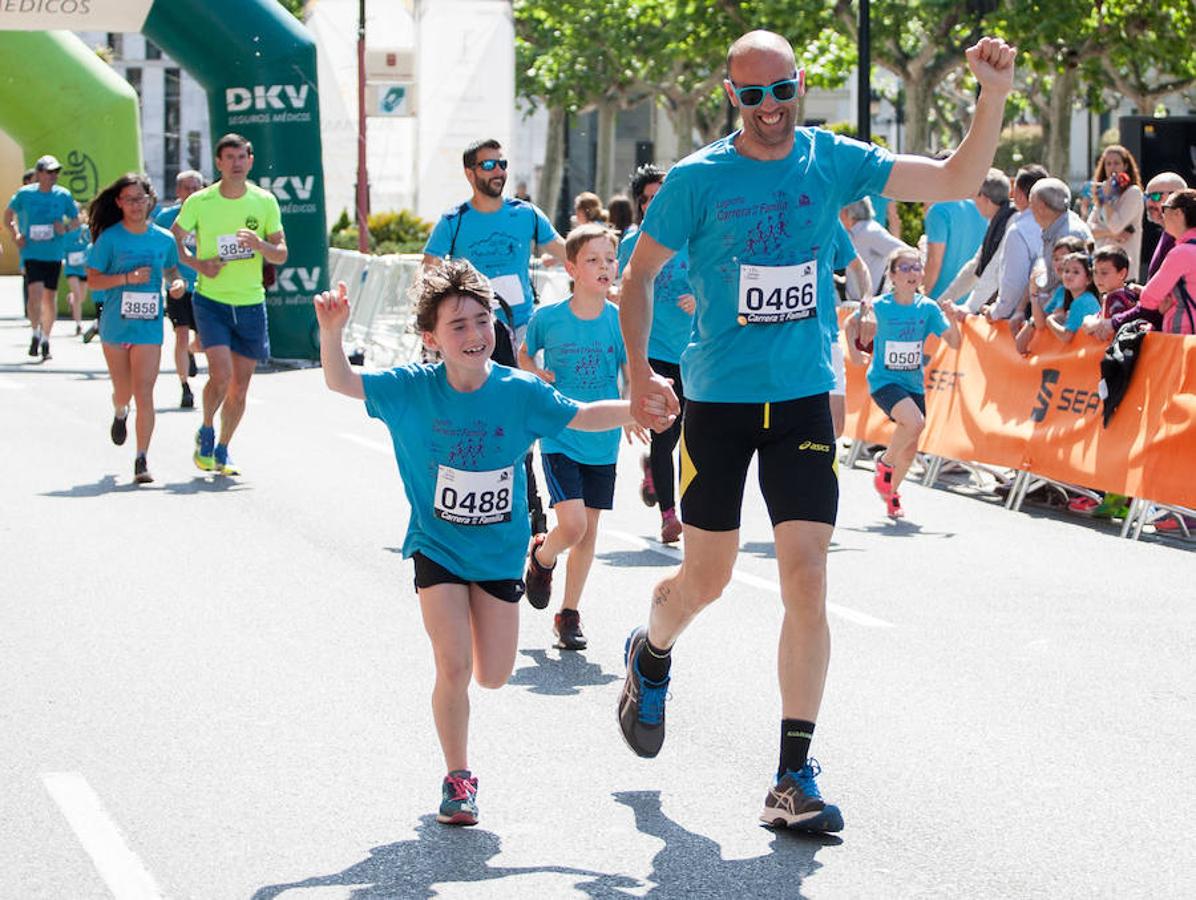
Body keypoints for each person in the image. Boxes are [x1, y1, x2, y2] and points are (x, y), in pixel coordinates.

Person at [617, 28, 1016, 833]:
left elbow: (956, 177)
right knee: (707, 580)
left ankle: (791, 776)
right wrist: (639, 374)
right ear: (732, 95)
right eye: (752, 95)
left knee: (807, 577)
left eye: (782, 90)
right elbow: (640, 274)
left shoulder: (831, 159)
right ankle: (650, 650)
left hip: (801, 397)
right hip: (721, 402)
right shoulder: (697, 180)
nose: (770, 107)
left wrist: (993, 94)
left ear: (799, 84)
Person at [312, 259, 664, 826]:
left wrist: (636, 406)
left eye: (483, 321)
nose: (475, 335)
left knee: (493, 674)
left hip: (501, 552)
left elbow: (579, 416)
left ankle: (534, 560)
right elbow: (342, 382)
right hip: (437, 546)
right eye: (458, 326)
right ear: (430, 338)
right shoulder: (410, 390)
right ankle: (458, 777)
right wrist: (332, 333)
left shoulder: (519, 391)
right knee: (452, 667)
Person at [519, 224, 645, 649]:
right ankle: (542, 557)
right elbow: (524, 353)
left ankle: (568, 613)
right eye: (593, 260)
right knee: (571, 526)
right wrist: (535, 373)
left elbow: (630, 372)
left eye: (610, 259)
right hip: (560, 434)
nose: (605, 267)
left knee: (588, 533)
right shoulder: (548, 318)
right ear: (571, 267)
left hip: (602, 439)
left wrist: (632, 411)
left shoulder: (617, 321)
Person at [172, 133, 287, 476]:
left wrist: (260, 245)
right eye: (230, 158)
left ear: (250, 161)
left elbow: (281, 253)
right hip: (212, 300)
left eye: (242, 157)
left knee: (240, 387)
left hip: (251, 302)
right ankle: (206, 429)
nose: (236, 163)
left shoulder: (264, 201)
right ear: (219, 163)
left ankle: (223, 448)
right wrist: (197, 265)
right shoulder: (200, 201)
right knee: (220, 375)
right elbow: (176, 239)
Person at [85, 173, 187, 484]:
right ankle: (119, 411)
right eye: (128, 200)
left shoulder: (164, 239)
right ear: (119, 203)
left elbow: (171, 270)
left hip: (148, 326)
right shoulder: (110, 239)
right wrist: (127, 279)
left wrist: (177, 284)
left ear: (150, 200)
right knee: (124, 391)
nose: (135, 205)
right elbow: (93, 280)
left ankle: (141, 459)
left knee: (144, 393)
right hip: (116, 325)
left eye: (140, 199)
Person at [846, 248, 961, 518]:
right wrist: (853, 352)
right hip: (884, 380)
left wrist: (953, 321)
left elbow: (954, 343)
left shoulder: (928, 308)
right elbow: (851, 325)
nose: (913, 273)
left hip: (913, 383)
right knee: (915, 422)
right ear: (892, 275)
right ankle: (884, 463)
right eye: (905, 268)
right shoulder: (879, 306)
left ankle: (891, 493)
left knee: (910, 449)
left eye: (917, 268)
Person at [423, 138, 566, 347]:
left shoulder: (528, 214)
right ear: (469, 173)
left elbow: (569, 255)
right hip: (471, 331)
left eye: (502, 164)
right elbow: (428, 273)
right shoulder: (453, 221)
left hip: (521, 328)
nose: (498, 171)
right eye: (489, 165)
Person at [619, 164, 695, 543]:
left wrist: (700, 298)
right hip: (654, 354)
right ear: (639, 206)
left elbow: (718, 283)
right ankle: (669, 515)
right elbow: (621, 297)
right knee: (666, 437)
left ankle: (678, 495)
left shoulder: (695, 237)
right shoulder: (630, 246)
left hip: (696, 353)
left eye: (660, 196)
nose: (654, 204)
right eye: (646, 199)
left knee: (691, 439)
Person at [4, 155, 80, 361]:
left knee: (49, 298)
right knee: (34, 293)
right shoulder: (25, 194)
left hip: (54, 253)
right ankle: (35, 332)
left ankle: (46, 338)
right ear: (38, 174)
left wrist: (63, 228)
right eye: (49, 172)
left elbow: (76, 220)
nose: (53, 176)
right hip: (31, 252)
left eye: (56, 172)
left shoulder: (62, 195)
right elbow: (8, 215)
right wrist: (16, 235)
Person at [156, 170, 206, 409]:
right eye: (187, 188)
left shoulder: (210, 215)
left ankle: (190, 351)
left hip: (206, 286)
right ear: (178, 191)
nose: (192, 192)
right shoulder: (166, 218)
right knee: (181, 333)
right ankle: (185, 387)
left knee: (203, 341)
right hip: (177, 285)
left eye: (196, 187)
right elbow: (157, 249)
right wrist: (169, 276)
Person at [939, 168, 1016, 313]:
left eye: (975, 196)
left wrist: (970, 307)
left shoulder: (1014, 223)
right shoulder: (997, 220)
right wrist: (942, 301)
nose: (974, 202)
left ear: (985, 198)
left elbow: (994, 269)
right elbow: (975, 266)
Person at [982, 164, 1047, 322]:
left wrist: (996, 312)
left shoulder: (1019, 230)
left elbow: (1013, 283)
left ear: (1018, 193)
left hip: (1024, 318)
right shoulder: (1070, 220)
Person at [1014, 235, 1087, 355]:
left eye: (1063, 257)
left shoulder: (1087, 297)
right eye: (1055, 258)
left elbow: (1067, 335)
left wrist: (1053, 320)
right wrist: (1034, 294)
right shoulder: (1060, 292)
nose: (1058, 264)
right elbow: (1040, 324)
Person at [1084, 144, 1144, 278]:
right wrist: (1110, 233)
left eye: (1117, 163)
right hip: (1099, 270)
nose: (1112, 168)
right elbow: (1088, 231)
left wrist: (1107, 199)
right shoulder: (1101, 196)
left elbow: (1115, 225)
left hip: (1123, 275)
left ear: (1125, 166)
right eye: (1108, 164)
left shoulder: (1133, 193)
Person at [1028, 177, 1093, 301]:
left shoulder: (1069, 233)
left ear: (1041, 206)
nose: (1029, 209)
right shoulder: (1054, 227)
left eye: (1031, 203)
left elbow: (1071, 284)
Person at [921, 181, 987, 299]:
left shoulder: (938, 211)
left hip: (940, 299)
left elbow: (934, 261)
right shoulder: (979, 207)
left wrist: (921, 297)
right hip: (971, 300)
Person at [839, 196, 908, 294]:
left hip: (874, 303)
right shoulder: (853, 232)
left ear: (847, 212)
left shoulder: (870, 232)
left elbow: (905, 251)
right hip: (855, 303)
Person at [62, 208, 92, 336]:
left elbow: (92, 244)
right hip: (71, 267)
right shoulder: (66, 232)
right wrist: (63, 260)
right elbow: (62, 247)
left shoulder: (87, 231)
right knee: (77, 293)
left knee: (81, 297)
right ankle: (78, 324)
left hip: (84, 268)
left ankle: (71, 299)